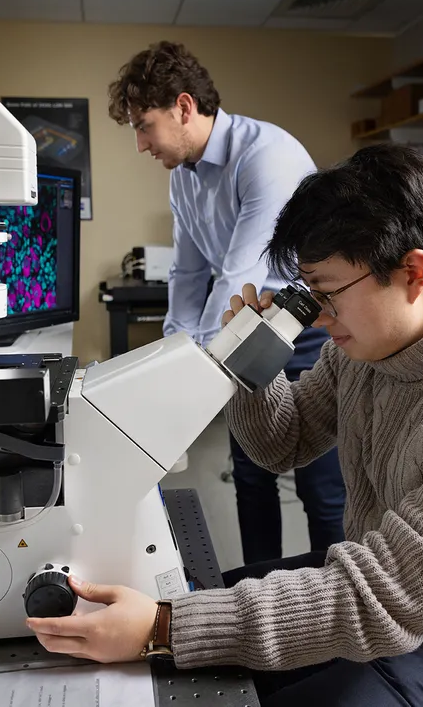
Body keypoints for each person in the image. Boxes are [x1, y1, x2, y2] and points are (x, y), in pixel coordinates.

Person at [26, 143, 423, 707]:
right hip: (402, 610)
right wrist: (246, 365)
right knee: (201, 611)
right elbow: (280, 446)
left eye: (329, 294)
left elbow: (379, 601)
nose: (320, 315)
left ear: (413, 271)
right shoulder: (369, 346)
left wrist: (160, 628)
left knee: (200, 644)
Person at [106, 41, 345, 563]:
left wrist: (184, 379)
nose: (141, 144)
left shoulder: (266, 157)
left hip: (303, 331)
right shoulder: (183, 180)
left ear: (184, 107)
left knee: (320, 492)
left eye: (144, 126)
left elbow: (240, 274)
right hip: (250, 325)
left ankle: (340, 611)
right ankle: (257, 592)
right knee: (251, 476)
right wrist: (167, 358)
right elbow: (188, 274)